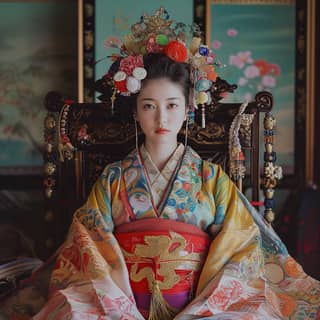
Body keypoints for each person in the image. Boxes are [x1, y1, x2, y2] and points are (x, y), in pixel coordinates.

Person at [2, 7, 320, 320]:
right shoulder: (114, 178)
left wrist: (204, 301)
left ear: (187, 110)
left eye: (172, 105)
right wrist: (119, 304)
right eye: (149, 106)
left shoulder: (211, 178)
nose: (161, 117)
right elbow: (87, 246)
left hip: (202, 303)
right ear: (136, 110)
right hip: (119, 302)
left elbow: (240, 247)